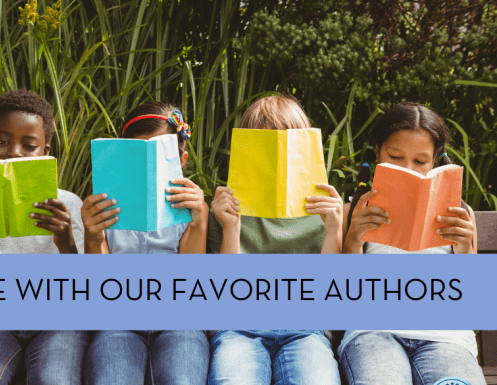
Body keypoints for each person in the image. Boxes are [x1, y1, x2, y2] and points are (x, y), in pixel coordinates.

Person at [0, 89, 87, 385]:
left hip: (57, 322)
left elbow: (84, 289)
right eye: (2, 141)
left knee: (55, 379)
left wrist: (66, 243)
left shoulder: (69, 205)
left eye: (29, 145)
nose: (14, 152)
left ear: (45, 152)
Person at [339, 103, 484, 385]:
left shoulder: (460, 214)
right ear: (378, 152)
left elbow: (473, 300)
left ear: (435, 161)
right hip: (374, 332)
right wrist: (354, 238)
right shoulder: (354, 210)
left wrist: (466, 249)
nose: (408, 169)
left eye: (420, 161)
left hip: (446, 337)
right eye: (395, 157)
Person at [207, 96, 342, 385]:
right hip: (239, 326)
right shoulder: (227, 207)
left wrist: (334, 232)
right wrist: (231, 228)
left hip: (306, 328)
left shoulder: (322, 207)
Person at [82, 102, 210, 384]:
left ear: (182, 159)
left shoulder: (190, 205)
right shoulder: (104, 202)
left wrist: (200, 220)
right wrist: (93, 237)